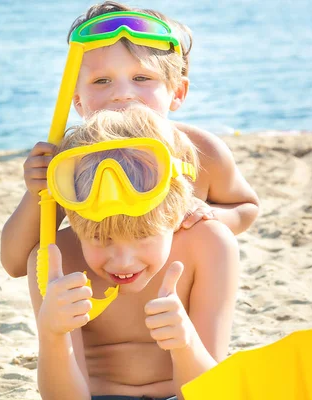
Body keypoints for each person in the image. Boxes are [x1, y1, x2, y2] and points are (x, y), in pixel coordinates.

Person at [0, 1, 258, 279]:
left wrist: (210, 216)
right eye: (101, 81)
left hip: (176, 300)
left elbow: (246, 207)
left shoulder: (202, 151)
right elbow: (15, 263)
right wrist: (36, 193)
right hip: (100, 307)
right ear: (77, 100)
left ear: (177, 92)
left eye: (141, 77)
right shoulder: (74, 161)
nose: (122, 94)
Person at [27, 106, 239, 400]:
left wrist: (185, 344)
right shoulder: (55, 261)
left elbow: (210, 393)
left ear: (177, 213)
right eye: (100, 238)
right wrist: (53, 335)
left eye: (142, 235)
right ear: (74, 220)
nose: (123, 261)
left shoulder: (211, 247)